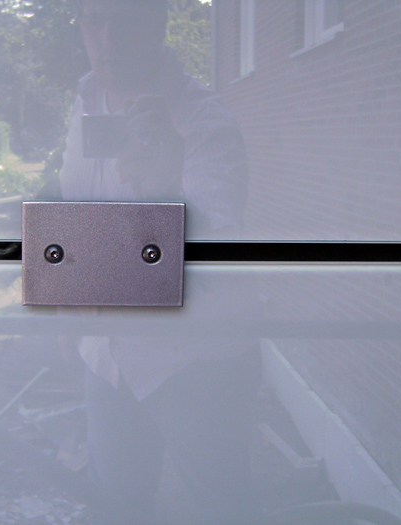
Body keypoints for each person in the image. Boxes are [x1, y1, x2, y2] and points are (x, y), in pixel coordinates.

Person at [57, 0, 262, 522]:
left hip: (197, 362)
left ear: (157, 21)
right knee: (119, 509)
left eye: (125, 19)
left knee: (223, 511)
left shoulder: (205, 121)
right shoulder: (86, 102)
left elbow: (210, 266)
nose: (108, 37)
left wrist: (167, 194)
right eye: (94, 19)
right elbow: (72, 216)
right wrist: (69, 302)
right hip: (107, 357)